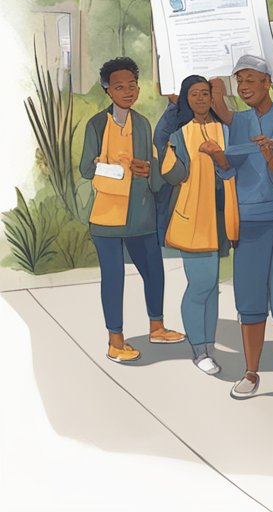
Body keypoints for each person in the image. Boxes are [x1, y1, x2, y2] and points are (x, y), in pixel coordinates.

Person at [80, 57, 185, 364]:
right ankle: (115, 341)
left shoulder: (142, 123)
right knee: (114, 278)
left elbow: (152, 173)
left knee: (154, 271)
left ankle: (157, 326)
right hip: (107, 217)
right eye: (119, 86)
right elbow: (87, 168)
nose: (127, 91)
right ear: (107, 90)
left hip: (140, 214)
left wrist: (148, 169)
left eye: (132, 85)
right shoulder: (97, 124)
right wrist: (123, 171)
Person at [214, 54, 273, 399]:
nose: (245, 87)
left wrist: (270, 159)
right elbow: (229, 170)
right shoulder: (238, 122)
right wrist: (217, 157)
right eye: (240, 81)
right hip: (250, 219)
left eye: (251, 80)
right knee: (250, 297)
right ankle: (251, 372)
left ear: (267, 83)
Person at [159, 75, 238, 375]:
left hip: (219, 216)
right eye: (194, 94)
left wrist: (219, 159)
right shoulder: (178, 133)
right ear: (185, 98)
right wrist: (169, 151)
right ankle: (198, 349)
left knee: (212, 287)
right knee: (201, 285)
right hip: (192, 218)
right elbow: (173, 175)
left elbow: (231, 171)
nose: (202, 99)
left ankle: (208, 345)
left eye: (205, 93)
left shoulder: (224, 129)